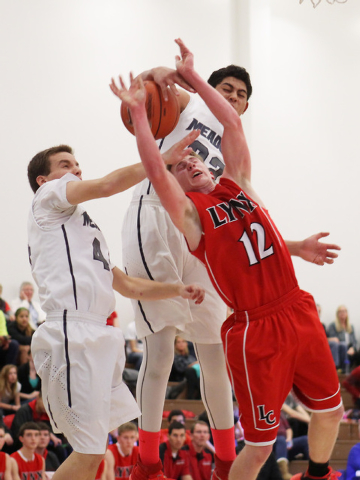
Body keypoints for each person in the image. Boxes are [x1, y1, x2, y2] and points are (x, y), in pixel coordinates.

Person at [112, 38, 344, 480]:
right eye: (228, 89)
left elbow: (252, 239)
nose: (234, 98)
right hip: (163, 225)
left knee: (215, 353)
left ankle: (230, 458)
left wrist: (296, 246)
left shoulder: (234, 180)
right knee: (160, 352)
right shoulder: (190, 120)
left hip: (289, 302)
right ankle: (146, 461)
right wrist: (168, 80)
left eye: (242, 94)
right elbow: (154, 100)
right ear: (206, 91)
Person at [26, 143, 204, 480]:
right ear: (42, 179)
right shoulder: (49, 195)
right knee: (89, 452)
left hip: (99, 336)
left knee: (95, 452)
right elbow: (107, 185)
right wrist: (159, 160)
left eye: (78, 163)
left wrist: (177, 289)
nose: (76, 169)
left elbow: (126, 285)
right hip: (71, 332)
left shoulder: (85, 227)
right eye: (66, 164)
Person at [327, 305, 358, 372]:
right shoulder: (333, 325)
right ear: (337, 314)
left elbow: (354, 341)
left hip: (350, 348)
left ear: (347, 313)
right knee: (343, 345)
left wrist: (353, 348)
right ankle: (341, 370)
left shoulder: (350, 326)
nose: (342, 313)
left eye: (344, 311)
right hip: (341, 347)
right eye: (340, 311)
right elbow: (334, 339)